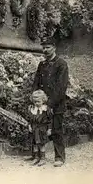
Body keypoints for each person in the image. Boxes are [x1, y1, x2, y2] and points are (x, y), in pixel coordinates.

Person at [33, 36, 69, 167]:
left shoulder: (61, 64)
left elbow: (61, 87)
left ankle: (59, 157)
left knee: (56, 130)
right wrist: (35, 98)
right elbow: (36, 82)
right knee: (39, 129)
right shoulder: (42, 65)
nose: (45, 50)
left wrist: (50, 104)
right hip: (41, 104)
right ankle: (38, 156)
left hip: (56, 103)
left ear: (54, 48)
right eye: (43, 47)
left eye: (48, 47)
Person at [27, 89, 52, 166]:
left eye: (38, 102)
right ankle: (36, 157)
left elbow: (50, 120)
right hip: (34, 129)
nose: (36, 103)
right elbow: (29, 119)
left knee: (41, 144)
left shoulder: (46, 109)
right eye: (35, 102)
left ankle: (43, 158)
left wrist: (49, 129)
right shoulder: (32, 109)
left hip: (42, 129)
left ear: (43, 100)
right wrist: (29, 126)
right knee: (34, 144)